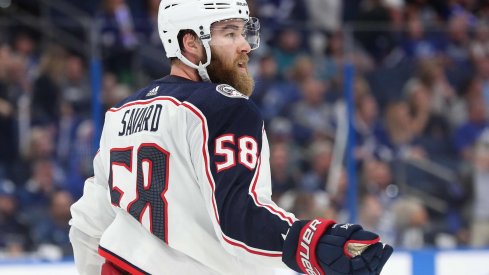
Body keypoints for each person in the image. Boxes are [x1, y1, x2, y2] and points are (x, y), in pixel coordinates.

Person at [69, 0, 393, 274]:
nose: (245, 45)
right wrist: (312, 242)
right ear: (190, 44)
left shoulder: (122, 113)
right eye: (229, 33)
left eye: (243, 31)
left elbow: (87, 223)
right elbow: (237, 217)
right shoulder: (223, 106)